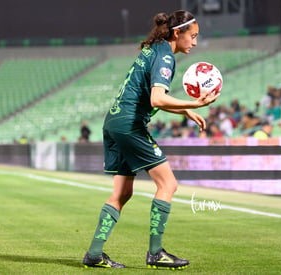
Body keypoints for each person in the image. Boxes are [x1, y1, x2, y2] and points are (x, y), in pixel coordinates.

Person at [82, 10, 218, 270]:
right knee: (169, 184)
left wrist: (185, 110)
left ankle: (94, 254)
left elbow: (149, 96)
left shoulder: (154, 49)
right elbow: (157, 99)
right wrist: (195, 103)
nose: (196, 42)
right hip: (130, 125)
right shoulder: (165, 55)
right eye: (193, 36)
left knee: (121, 193)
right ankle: (156, 253)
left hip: (113, 123)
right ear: (177, 33)